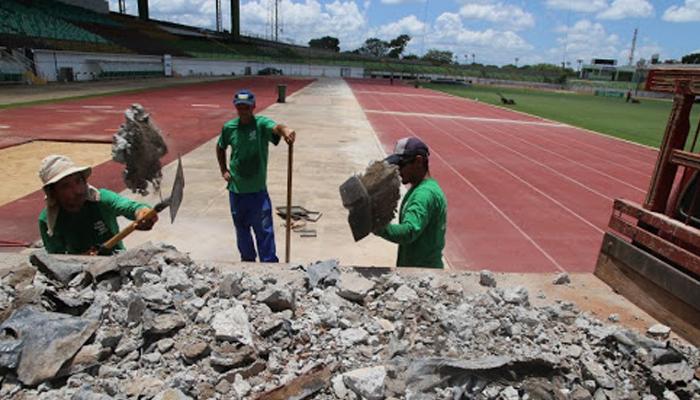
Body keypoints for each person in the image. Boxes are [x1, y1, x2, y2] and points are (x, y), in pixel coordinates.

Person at [216, 89, 296, 262]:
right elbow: (220, 146)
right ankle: (248, 264)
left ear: (253, 107)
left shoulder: (260, 125)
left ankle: (269, 265)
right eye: (240, 107)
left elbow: (275, 127)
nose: (243, 110)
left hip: (257, 192)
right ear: (236, 108)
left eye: (247, 107)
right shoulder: (229, 128)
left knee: (264, 231)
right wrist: (223, 169)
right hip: (237, 191)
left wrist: (285, 130)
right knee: (242, 231)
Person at [38, 155, 157, 255]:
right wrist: (83, 258)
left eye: (78, 181)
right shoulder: (48, 222)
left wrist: (143, 212)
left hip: (117, 260)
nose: (77, 190)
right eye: (66, 186)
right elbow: (56, 260)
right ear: (53, 192)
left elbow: (131, 207)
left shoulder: (101, 199)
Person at [374, 137, 447, 268]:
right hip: (416, 269)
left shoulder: (424, 194)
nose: (397, 170)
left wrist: (376, 226)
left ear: (418, 161)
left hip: (423, 273)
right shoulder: (420, 188)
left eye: (402, 165)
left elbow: (409, 231)